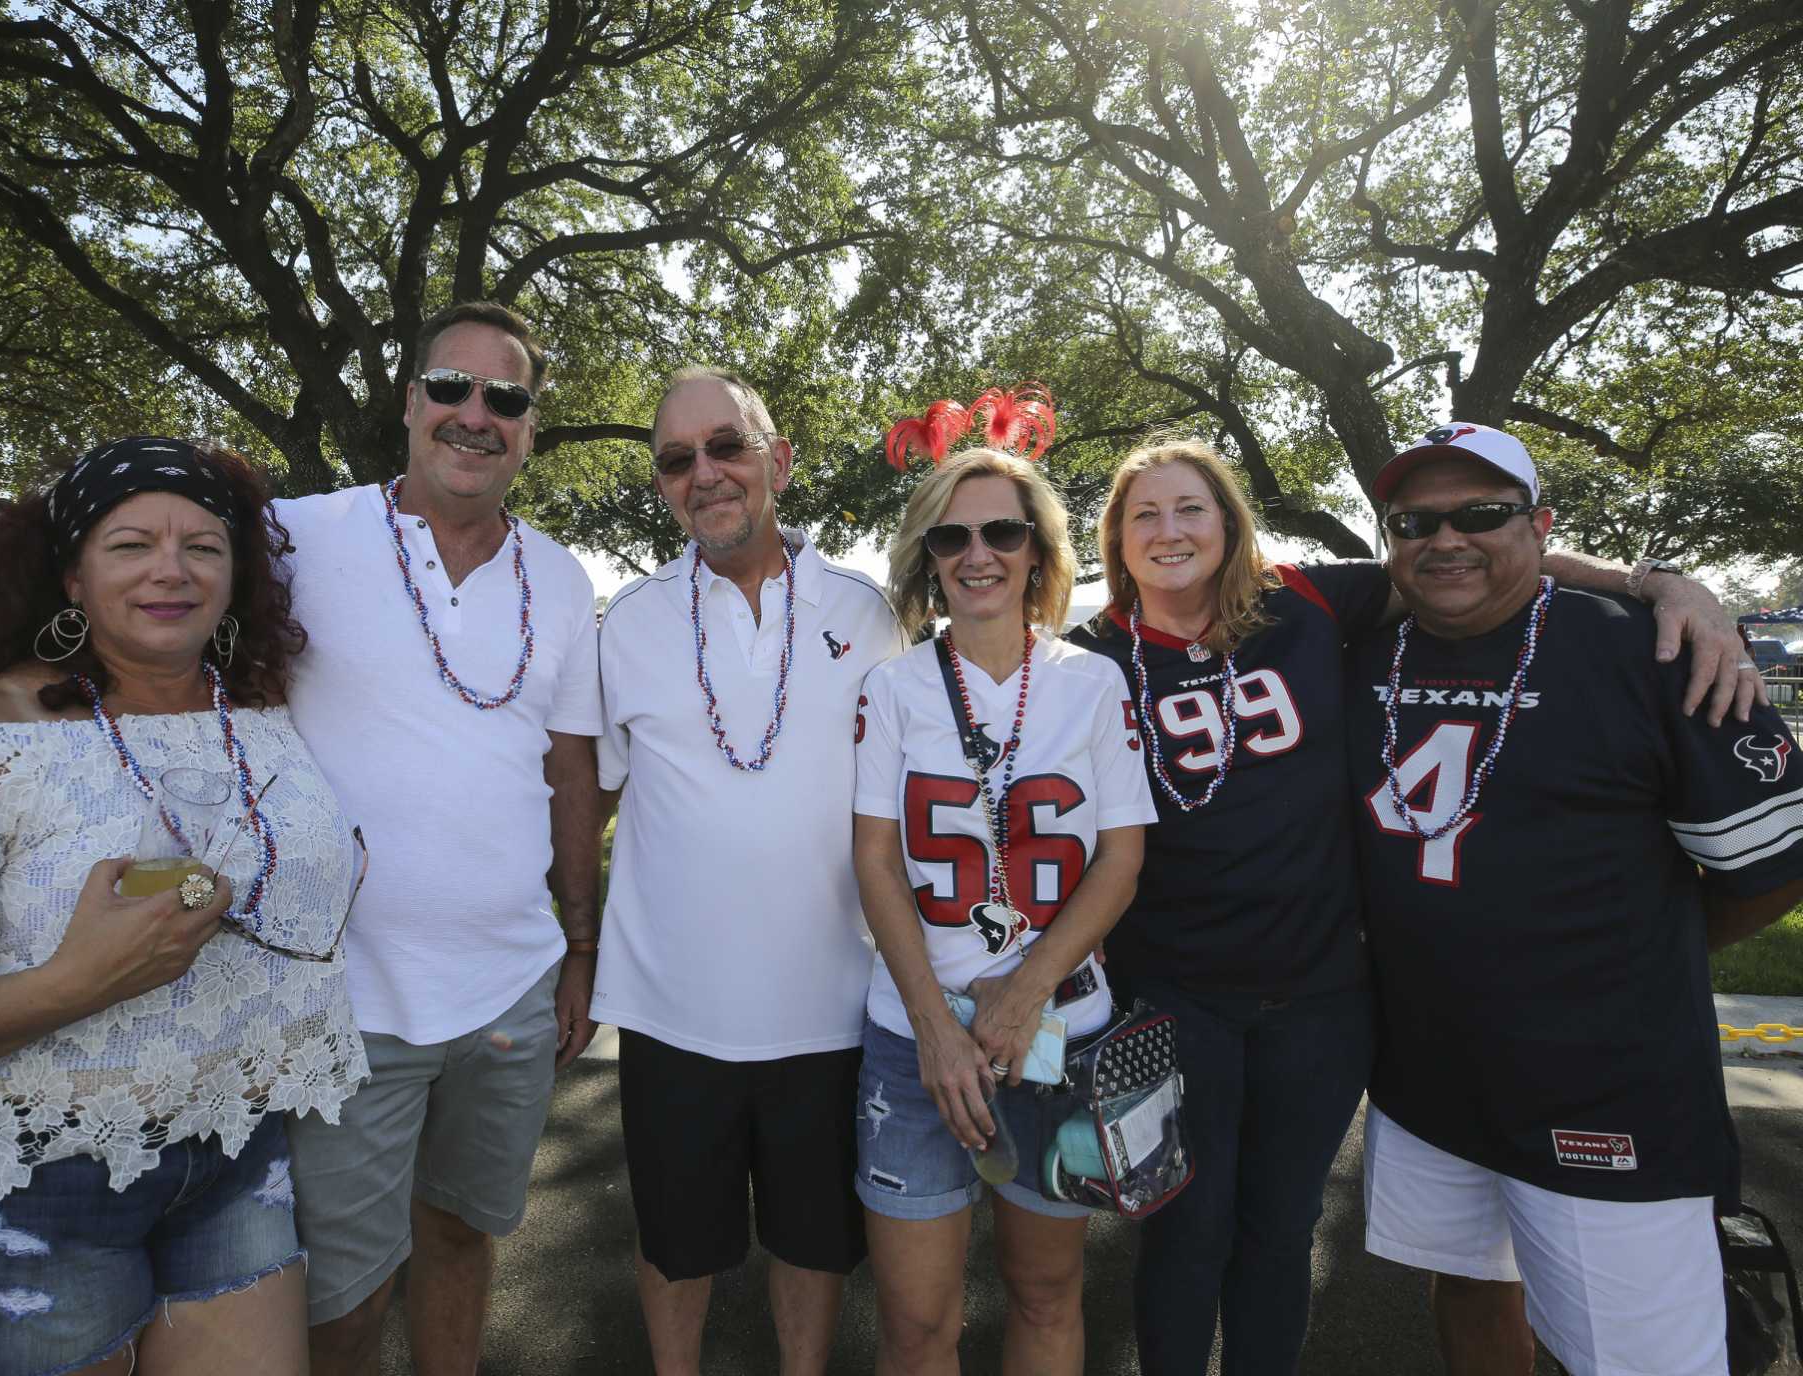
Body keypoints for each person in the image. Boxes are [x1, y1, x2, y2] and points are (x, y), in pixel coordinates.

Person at [0, 301, 606, 1376]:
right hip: (334, 1018)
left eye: (504, 397)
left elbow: (567, 769)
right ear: (412, 402)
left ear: (530, 423)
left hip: (370, 1056)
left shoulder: (556, 581)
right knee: (346, 1292)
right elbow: (81, 660)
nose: (476, 413)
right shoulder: (305, 532)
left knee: (464, 1232)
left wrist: (579, 942)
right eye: (451, 388)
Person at [1064, 432, 1766, 1374]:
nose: (1169, 528)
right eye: (1143, 513)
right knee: (1186, 1233)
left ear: (1231, 525)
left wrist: (1664, 584)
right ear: (1114, 536)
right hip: (1175, 997)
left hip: (1319, 1000)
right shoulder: (1090, 658)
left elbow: (1466, 557)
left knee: (1280, 1233)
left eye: (1192, 507)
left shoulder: (1310, 599)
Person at [0, 437, 369, 1376]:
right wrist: (73, 982)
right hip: (17, 1191)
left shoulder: (260, 707)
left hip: (231, 1156)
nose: (171, 571)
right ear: (70, 576)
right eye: (131, 544)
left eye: (204, 547)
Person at [1346, 423, 1803, 1376]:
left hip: (1605, 1088)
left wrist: (1644, 954)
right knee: (1468, 1285)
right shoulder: (1366, 650)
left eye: (1481, 515)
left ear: (1540, 525)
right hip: (1425, 1075)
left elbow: (1775, 871)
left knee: (1639, 1357)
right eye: (1415, 520)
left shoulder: (1656, 648)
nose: (1446, 539)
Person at [594, 367, 905, 1374]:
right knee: (675, 1247)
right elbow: (586, 789)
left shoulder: (868, 614)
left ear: (777, 459)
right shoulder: (628, 624)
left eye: (725, 445)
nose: (705, 472)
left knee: (812, 1244)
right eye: (677, 459)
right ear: (660, 486)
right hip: (671, 1008)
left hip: (828, 1001)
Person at [852, 432, 1156, 1375]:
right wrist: (937, 1030)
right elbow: (876, 863)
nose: (976, 555)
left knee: (1046, 1294)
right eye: (950, 539)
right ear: (927, 560)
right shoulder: (892, 688)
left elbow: (1121, 857)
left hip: (1059, 1033)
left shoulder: (1093, 682)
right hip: (918, 1044)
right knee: (915, 1323)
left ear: (1038, 552)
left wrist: (1024, 993)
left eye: (1001, 533)